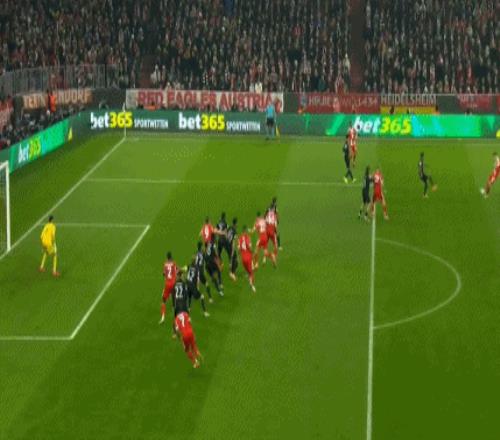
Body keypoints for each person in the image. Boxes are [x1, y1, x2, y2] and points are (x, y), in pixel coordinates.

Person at [160, 251, 177, 324]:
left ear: (167, 257)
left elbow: (164, 273)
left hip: (167, 284)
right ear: (171, 257)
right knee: (173, 295)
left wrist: (165, 274)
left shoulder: (165, 264)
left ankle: (163, 317)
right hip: (173, 283)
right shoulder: (173, 263)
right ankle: (174, 309)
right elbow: (176, 271)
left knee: (163, 301)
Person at [238, 225, 256, 292]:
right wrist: (253, 252)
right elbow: (249, 247)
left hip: (243, 258)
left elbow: (239, 249)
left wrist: (239, 255)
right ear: (245, 231)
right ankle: (252, 285)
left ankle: (248, 275)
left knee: (248, 271)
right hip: (248, 257)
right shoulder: (248, 237)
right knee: (252, 272)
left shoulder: (239, 238)